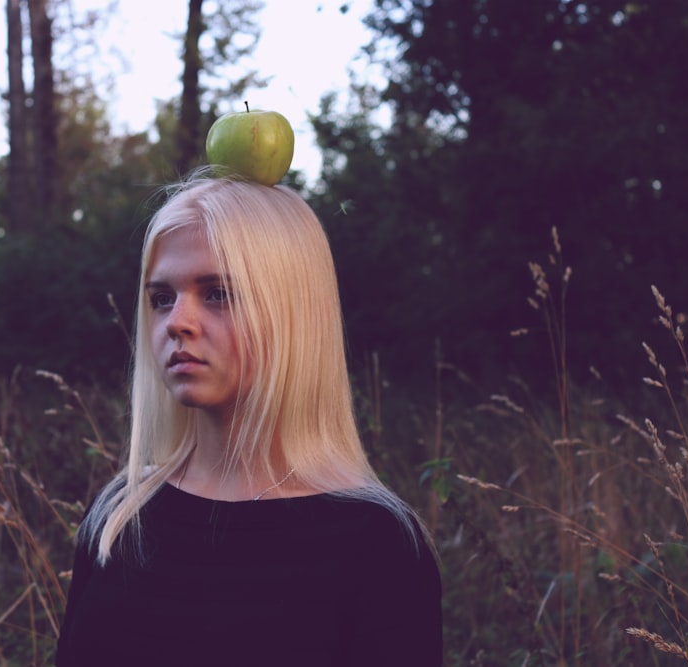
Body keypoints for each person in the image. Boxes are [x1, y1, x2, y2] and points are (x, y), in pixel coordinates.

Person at [54, 174, 442, 666]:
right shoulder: (120, 515)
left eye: (217, 293)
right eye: (161, 298)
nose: (177, 321)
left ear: (293, 313)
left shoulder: (375, 544)